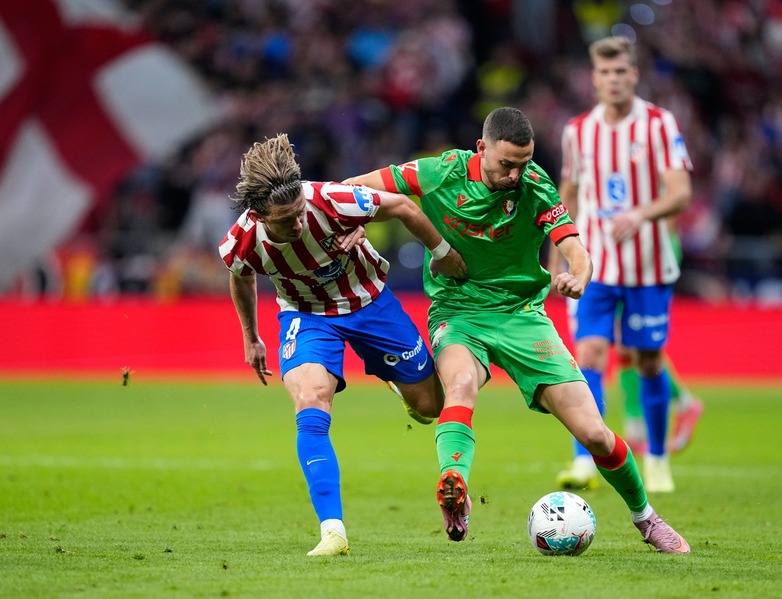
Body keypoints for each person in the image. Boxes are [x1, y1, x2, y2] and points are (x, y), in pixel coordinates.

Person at [345, 106, 690, 553]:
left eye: (523, 163)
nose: (515, 174)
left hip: (524, 316)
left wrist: (578, 275)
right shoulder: (438, 173)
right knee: (461, 385)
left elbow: (574, 246)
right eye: (507, 163)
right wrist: (349, 220)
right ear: (481, 148)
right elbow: (352, 189)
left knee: (594, 433)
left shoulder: (536, 185)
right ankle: (455, 486)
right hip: (459, 311)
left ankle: (647, 519)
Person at [218, 133, 466, 557]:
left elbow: (404, 205)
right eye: (285, 220)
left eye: (299, 212)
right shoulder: (241, 241)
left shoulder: (331, 199)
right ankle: (333, 531)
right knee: (311, 401)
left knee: (429, 407)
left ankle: (396, 384)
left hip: (371, 304)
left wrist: (442, 251)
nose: (297, 223)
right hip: (307, 316)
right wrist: (251, 335)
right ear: (258, 215)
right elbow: (241, 275)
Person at [548, 36, 694, 494]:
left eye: (621, 71)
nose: (613, 80)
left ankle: (656, 457)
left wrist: (640, 213)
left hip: (648, 266)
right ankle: (585, 459)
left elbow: (681, 192)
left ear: (634, 74)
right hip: (594, 265)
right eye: (605, 73)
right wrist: (556, 259)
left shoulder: (658, 124)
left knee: (648, 361)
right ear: (594, 79)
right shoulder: (578, 131)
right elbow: (566, 197)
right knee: (589, 354)